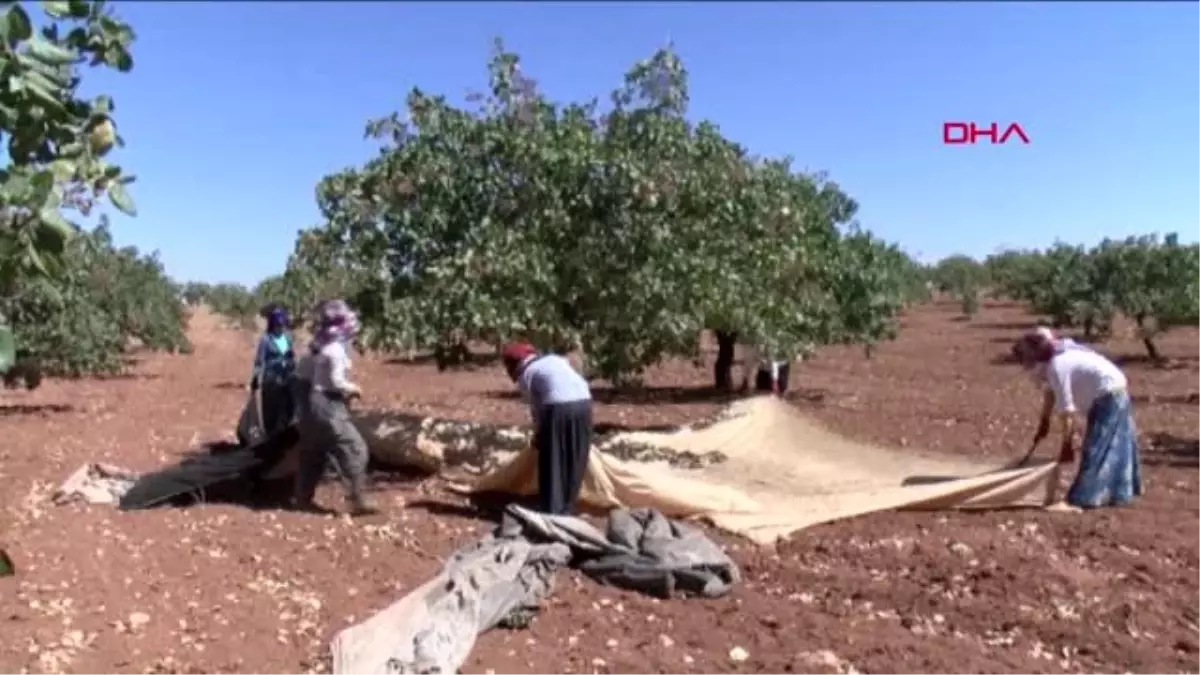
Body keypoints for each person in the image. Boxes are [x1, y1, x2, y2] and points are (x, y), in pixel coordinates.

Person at [1013, 329, 1142, 509]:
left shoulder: (1057, 366)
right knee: (1115, 444)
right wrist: (1044, 421)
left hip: (1108, 394)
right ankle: (1119, 493)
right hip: (1114, 390)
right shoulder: (1056, 358)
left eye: (1026, 360)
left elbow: (1067, 410)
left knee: (1096, 448)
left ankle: (1082, 499)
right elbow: (1050, 393)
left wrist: (1067, 444)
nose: (1025, 366)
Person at [290, 300, 376, 516]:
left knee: (313, 451)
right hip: (326, 404)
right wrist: (352, 389)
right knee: (355, 449)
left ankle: (301, 498)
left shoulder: (319, 345)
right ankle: (357, 500)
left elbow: (303, 377)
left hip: (311, 403)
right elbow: (335, 380)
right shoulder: (334, 349)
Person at [501, 342, 593, 516]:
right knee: (575, 456)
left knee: (553, 459)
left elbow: (536, 409)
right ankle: (568, 508)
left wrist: (539, 435)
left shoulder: (526, 374)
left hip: (557, 407)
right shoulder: (554, 359)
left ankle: (552, 510)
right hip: (584, 403)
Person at [249, 305, 297, 439]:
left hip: (287, 378)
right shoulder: (266, 340)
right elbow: (259, 361)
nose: (280, 328)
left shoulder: (288, 337)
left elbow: (292, 356)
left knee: (288, 408)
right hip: (271, 381)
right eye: (277, 326)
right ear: (272, 325)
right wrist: (255, 377)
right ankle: (271, 437)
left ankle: (286, 436)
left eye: (282, 325)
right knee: (272, 410)